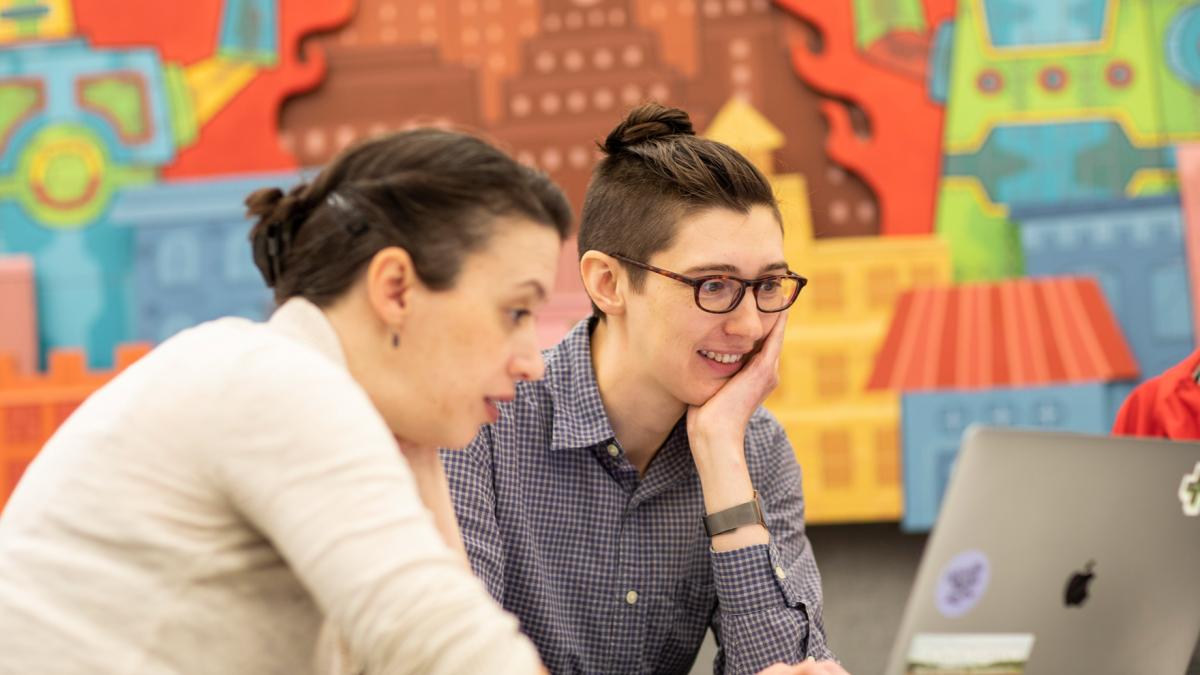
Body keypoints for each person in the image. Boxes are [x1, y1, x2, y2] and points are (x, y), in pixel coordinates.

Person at [0, 129, 572, 674]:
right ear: (395, 288)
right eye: (516, 312)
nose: (532, 361)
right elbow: (447, 650)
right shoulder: (278, 381)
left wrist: (422, 460)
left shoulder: (270, 373)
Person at [441, 104, 848, 675]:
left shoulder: (754, 446)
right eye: (714, 284)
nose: (752, 325)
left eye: (768, 286)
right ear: (607, 283)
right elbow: (453, 660)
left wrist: (722, 455)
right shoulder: (484, 419)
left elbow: (785, 667)